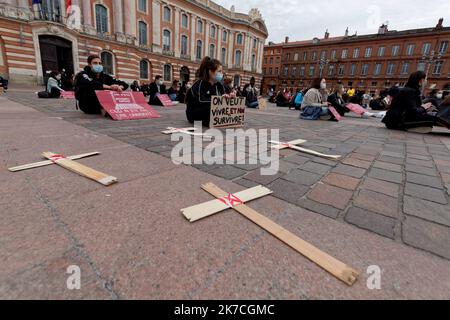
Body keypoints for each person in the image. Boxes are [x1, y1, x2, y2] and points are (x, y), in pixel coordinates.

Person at [382, 71, 450, 131]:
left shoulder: (409, 90)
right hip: (398, 121)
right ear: (420, 80)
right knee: (436, 117)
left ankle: (442, 117)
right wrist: (424, 107)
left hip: (395, 120)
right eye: (424, 79)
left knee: (432, 104)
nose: (425, 81)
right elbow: (413, 111)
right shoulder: (410, 91)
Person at [185, 57, 225, 126]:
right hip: (194, 113)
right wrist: (219, 100)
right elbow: (200, 101)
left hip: (210, 113)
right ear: (210, 71)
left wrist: (229, 98)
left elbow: (223, 98)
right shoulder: (200, 83)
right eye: (219, 71)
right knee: (210, 108)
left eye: (222, 71)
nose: (221, 74)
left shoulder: (219, 85)